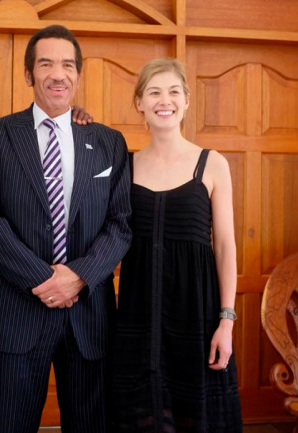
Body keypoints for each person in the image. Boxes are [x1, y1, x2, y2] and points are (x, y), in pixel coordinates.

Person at [0, 24, 132, 433]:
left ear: (78, 74)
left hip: (88, 315)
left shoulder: (108, 142)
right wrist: (46, 280)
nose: (57, 74)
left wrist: (78, 277)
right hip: (15, 311)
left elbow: (121, 223)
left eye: (67, 64)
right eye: (45, 63)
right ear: (28, 74)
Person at [111, 58, 242, 432]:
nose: (163, 100)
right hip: (138, 314)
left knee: (194, 416)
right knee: (144, 415)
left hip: (197, 313)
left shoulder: (212, 164)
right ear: (139, 103)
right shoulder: (126, 165)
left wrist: (226, 321)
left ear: (186, 100)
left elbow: (226, 247)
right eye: (153, 92)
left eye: (172, 91)